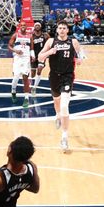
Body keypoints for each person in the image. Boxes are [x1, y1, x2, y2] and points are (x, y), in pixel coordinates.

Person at [38, 21, 83, 152]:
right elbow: (40, 57)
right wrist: (49, 52)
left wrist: (80, 59)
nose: (62, 30)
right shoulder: (51, 41)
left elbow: (81, 54)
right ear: (57, 30)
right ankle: (57, 115)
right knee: (57, 102)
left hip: (67, 76)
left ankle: (64, 137)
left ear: (67, 30)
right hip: (54, 76)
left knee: (64, 105)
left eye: (64, 28)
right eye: (60, 28)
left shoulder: (73, 42)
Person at [8, 20, 32, 107]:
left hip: (26, 59)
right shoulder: (15, 35)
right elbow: (9, 46)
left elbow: (31, 48)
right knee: (16, 77)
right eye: (21, 25)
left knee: (25, 78)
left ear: (26, 27)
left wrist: (32, 55)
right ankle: (13, 91)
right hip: (17, 58)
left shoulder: (30, 36)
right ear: (19, 26)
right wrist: (16, 50)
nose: (23, 26)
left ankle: (26, 99)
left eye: (24, 25)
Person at [29, 22, 49, 97]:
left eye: (38, 25)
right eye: (36, 25)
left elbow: (50, 44)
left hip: (42, 55)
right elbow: (31, 47)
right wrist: (32, 56)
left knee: (39, 69)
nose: (37, 26)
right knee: (33, 73)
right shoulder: (31, 36)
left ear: (40, 27)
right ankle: (32, 85)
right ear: (34, 27)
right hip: (34, 55)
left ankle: (34, 88)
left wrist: (47, 53)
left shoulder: (45, 35)